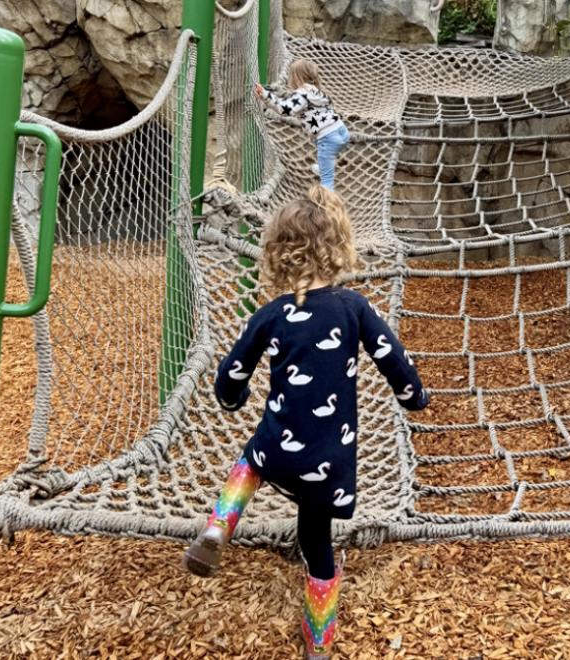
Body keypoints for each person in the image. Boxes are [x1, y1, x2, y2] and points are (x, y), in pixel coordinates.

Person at [183, 185, 428, 659]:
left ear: (279, 253)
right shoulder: (354, 308)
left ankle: (219, 525)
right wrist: (414, 396)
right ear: (338, 248)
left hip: (279, 447)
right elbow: (392, 358)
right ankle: (318, 641)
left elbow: (231, 373)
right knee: (317, 544)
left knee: (251, 460)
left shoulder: (271, 315)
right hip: (328, 459)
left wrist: (232, 399)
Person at [254, 59, 350, 191]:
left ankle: (327, 199)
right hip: (342, 132)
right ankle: (326, 164)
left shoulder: (301, 94)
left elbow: (285, 109)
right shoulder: (317, 91)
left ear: (296, 77)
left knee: (327, 178)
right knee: (323, 147)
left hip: (328, 138)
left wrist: (265, 95)